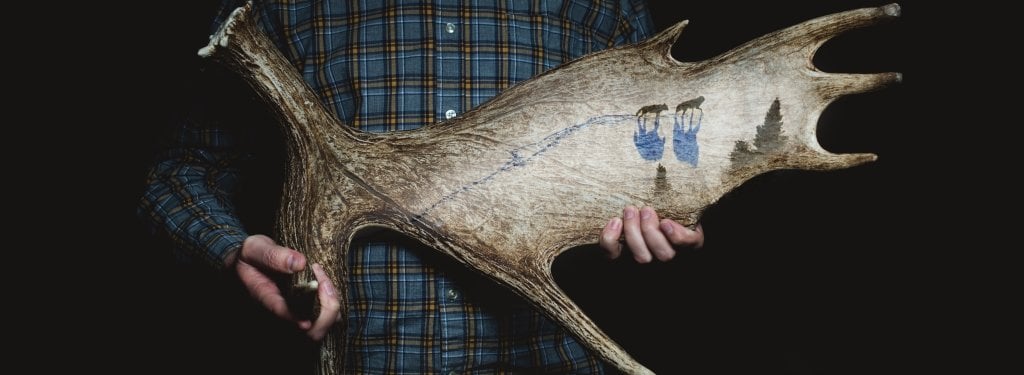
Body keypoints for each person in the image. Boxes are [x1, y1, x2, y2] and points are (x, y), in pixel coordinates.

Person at [138, 0, 704, 373]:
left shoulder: (598, 8)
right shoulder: (289, 10)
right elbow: (181, 174)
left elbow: (662, 159)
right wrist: (233, 249)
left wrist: (667, 213)